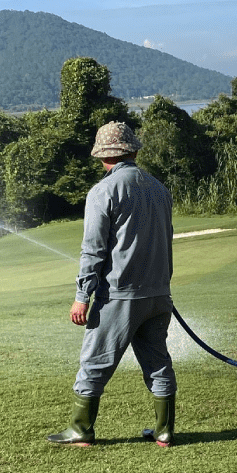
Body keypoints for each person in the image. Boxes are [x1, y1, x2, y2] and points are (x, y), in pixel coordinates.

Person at [47, 121, 177, 447]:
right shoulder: (160, 189)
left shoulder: (103, 191)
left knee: (94, 362)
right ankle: (164, 431)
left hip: (119, 295)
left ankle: (81, 429)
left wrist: (82, 296)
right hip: (159, 293)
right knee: (158, 362)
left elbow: (93, 249)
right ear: (132, 150)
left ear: (103, 156)